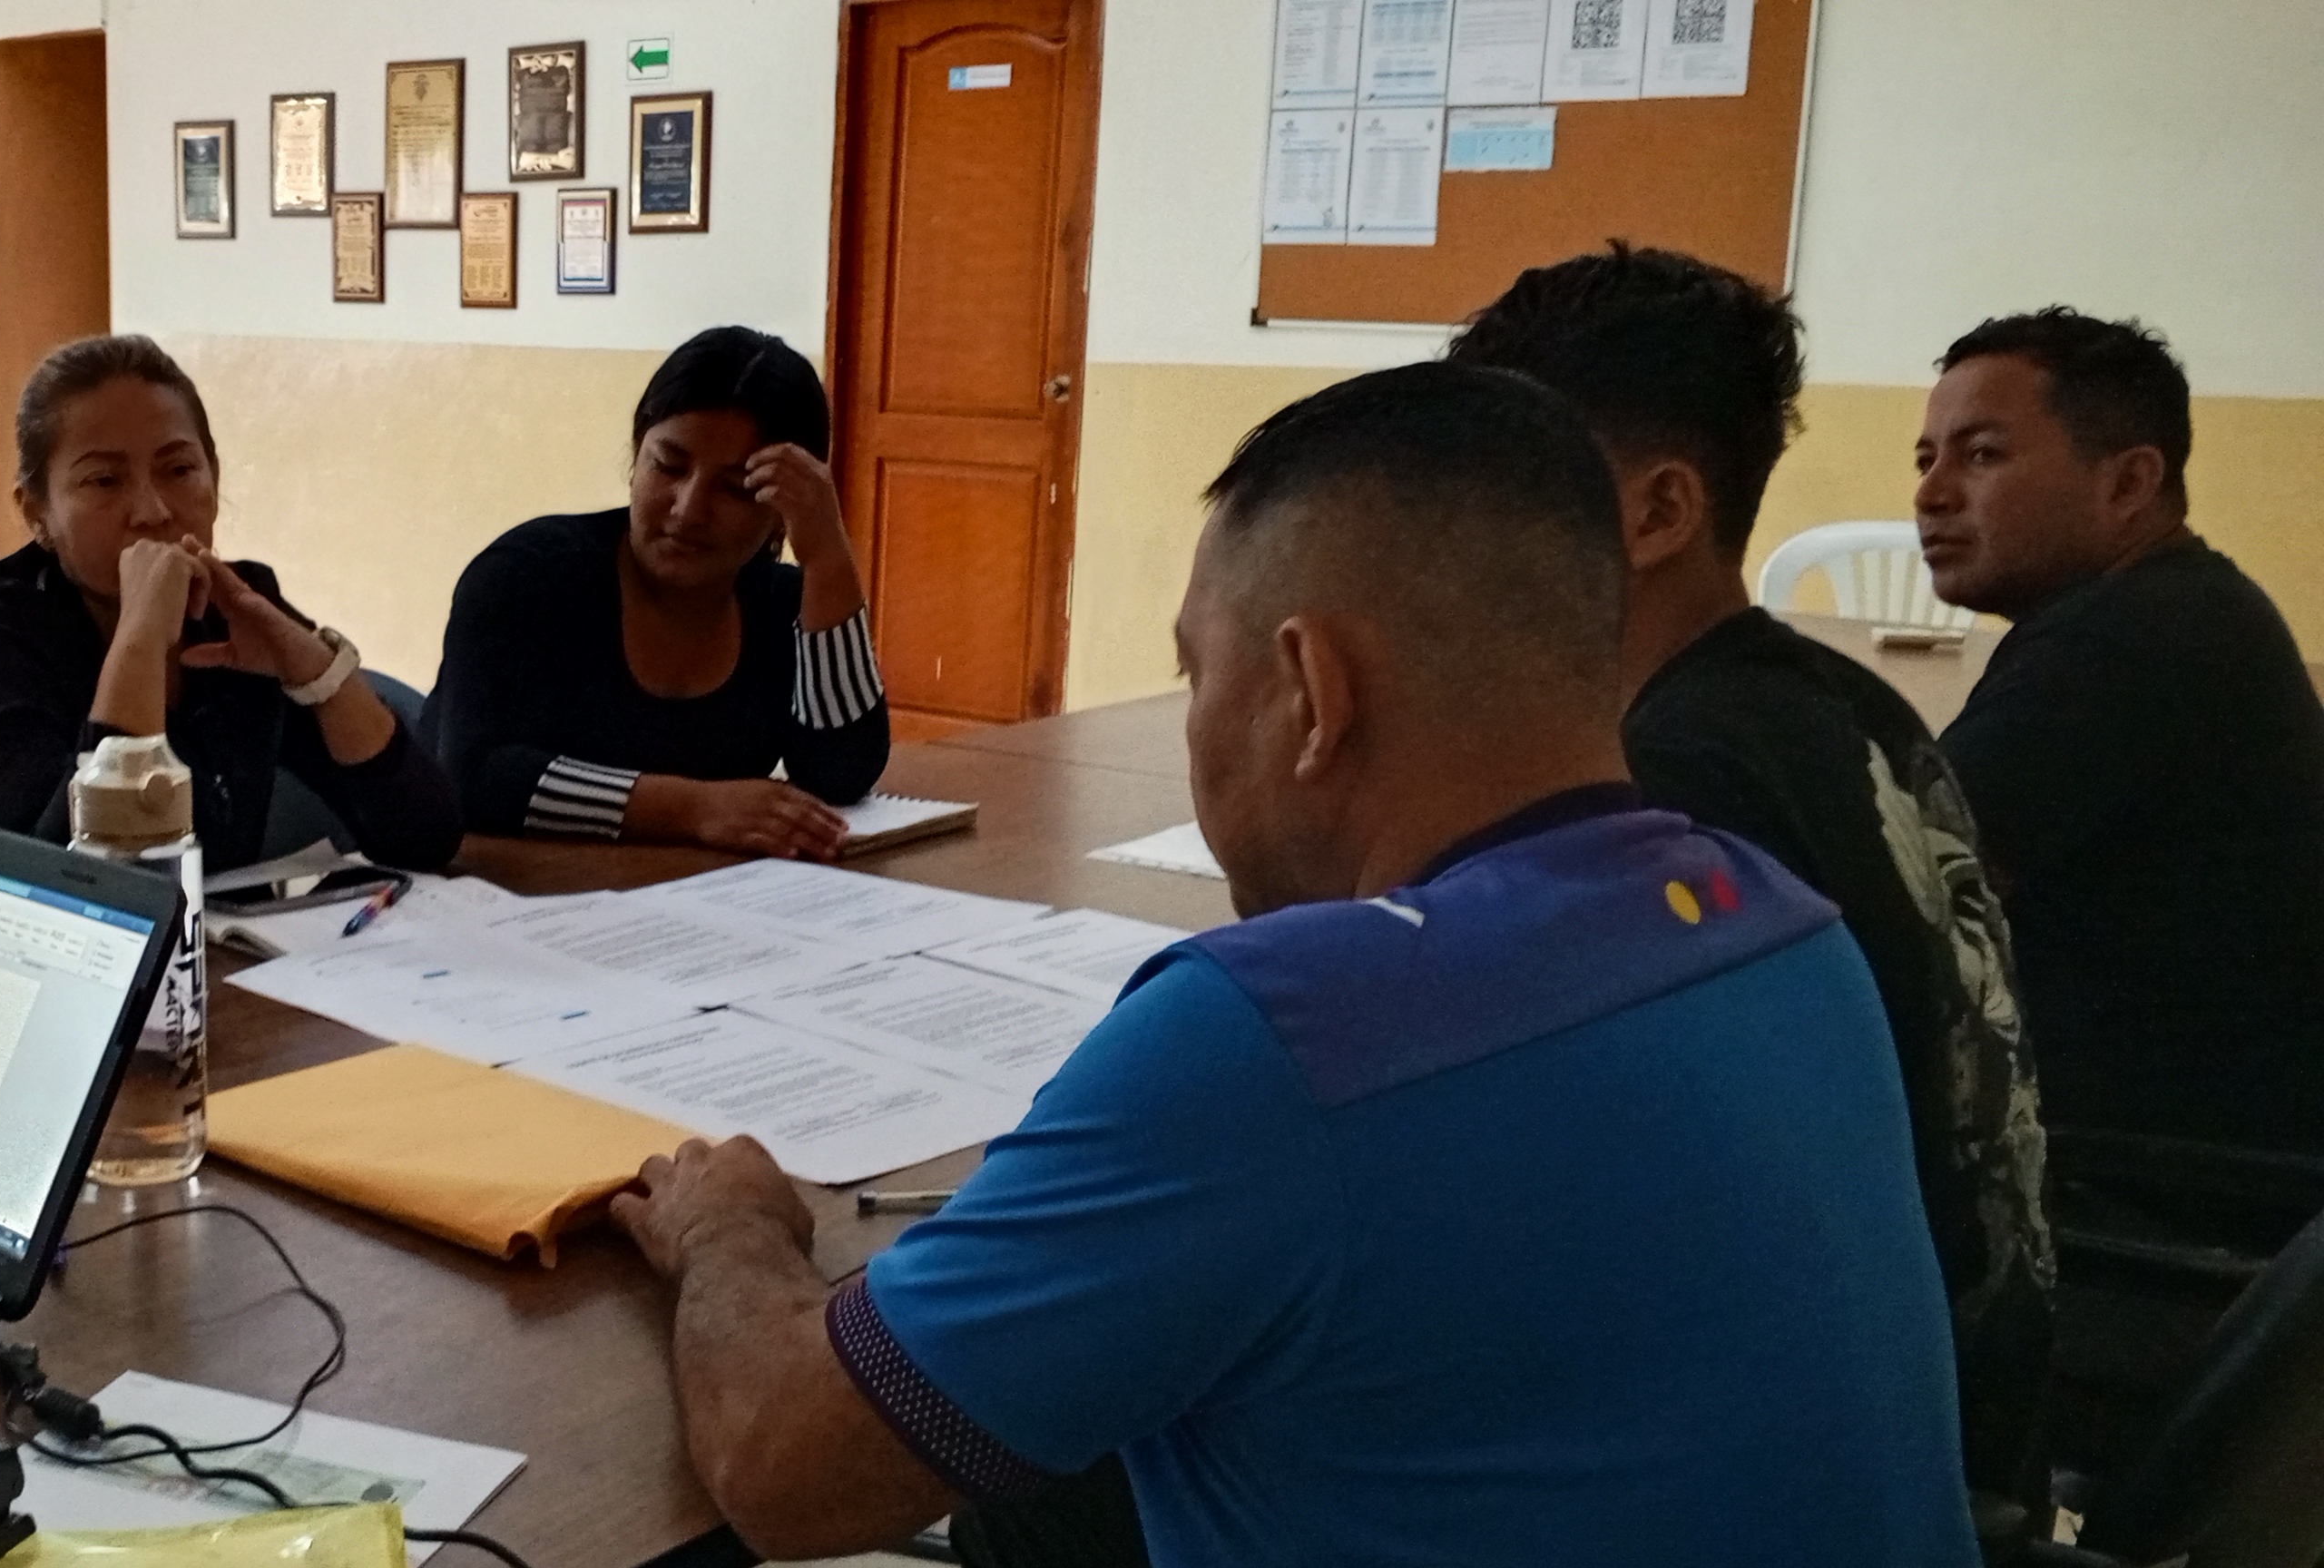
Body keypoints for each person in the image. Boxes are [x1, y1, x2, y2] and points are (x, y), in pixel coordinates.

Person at [612, 363, 1978, 1567]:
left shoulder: (1280, 1039)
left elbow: (785, 1469)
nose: (1198, 723)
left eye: (1198, 675)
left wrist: (732, 1229)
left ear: (1313, 694)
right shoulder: (1786, 929)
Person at [1446, 243, 2053, 1502]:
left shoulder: (1675, 785)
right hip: (1960, 1382)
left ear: (1658, 512)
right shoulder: (1831, 701)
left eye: (1493, 485)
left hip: (1836, 1461)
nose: (1445, 533)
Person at [1920, 309, 2324, 1157]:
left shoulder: (2125, 642)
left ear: (2129, 483)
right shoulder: (2183, 604)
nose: (1932, 494)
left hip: (2153, 1182)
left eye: (1982, 455)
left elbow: (1904, 893)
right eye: (1927, 460)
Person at [0, 333, 459, 871]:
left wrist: (317, 672)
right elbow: (80, 884)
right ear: (38, 514)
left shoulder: (233, 606)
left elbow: (426, 836)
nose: (153, 510)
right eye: (104, 481)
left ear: (215, 477)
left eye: (180, 469)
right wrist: (140, 638)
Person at [425, 327, 888, 858]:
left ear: (780, 508)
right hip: (498, 885)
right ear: (635, 455)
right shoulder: (529, 574)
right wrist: (694, 809)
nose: (688, 510)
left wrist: (827, 559)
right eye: (668, 466)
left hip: (679, 889)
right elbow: (473, 776)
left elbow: (842, 771)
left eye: (734, 488)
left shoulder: (780, 602)